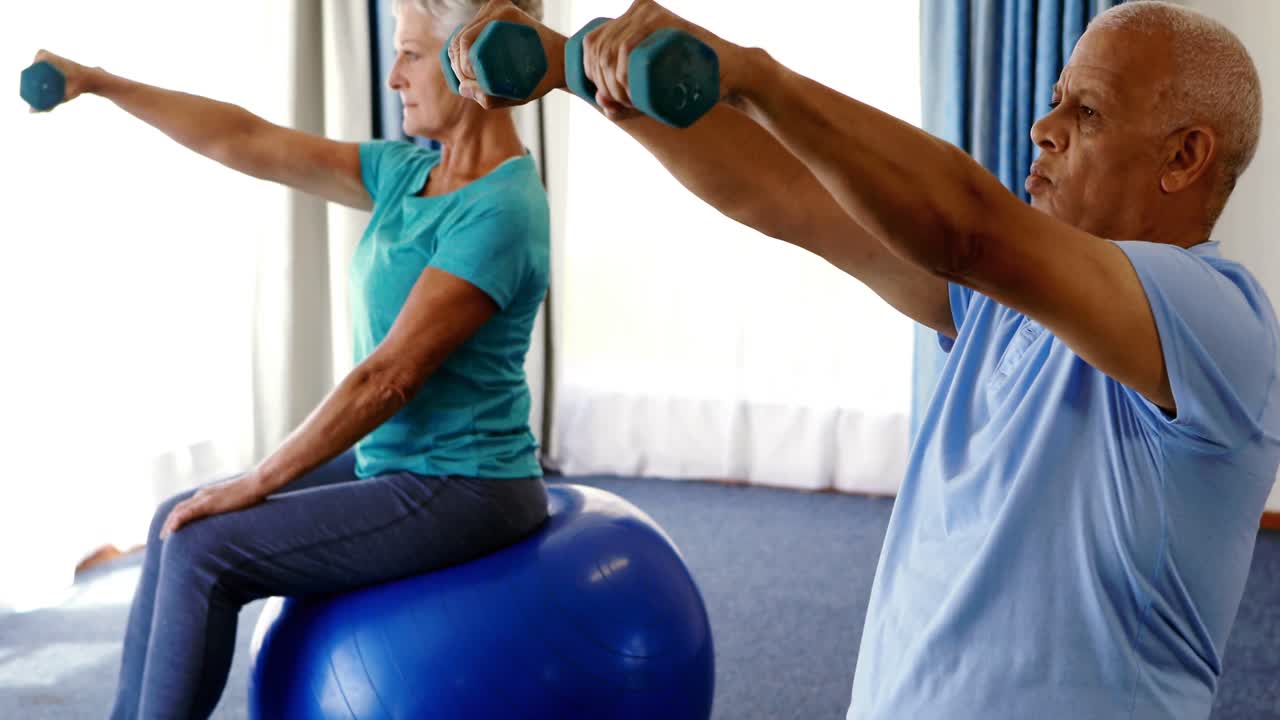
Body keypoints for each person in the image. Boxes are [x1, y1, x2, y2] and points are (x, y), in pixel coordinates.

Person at [449, 0, 1277, 717]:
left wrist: (758, 79)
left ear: (1184, 157)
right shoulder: (999, 304)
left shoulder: (1218, 318)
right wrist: (572, 68)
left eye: (1086, 113)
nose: (1043, 127)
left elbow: (967, 226)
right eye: (1055, 99)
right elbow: (785, 192)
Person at [31, 0, 550, 717]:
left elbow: (389, 377)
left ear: (475, 60)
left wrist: (259, 479)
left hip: (466, 487)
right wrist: (102, 81)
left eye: (410, 53)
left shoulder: (504, 208)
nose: (395, 75)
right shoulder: (407, 175)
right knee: (172, 518)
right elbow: (245, 139)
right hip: (399, 465)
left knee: (204, 551)